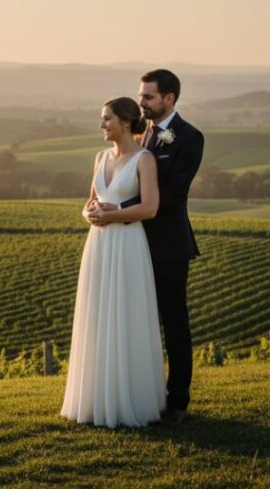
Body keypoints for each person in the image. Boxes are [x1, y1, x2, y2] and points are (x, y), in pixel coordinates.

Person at [61, 96, 165, 428]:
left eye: (107, 119)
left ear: (124, 121)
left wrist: (114, 214)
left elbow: (150, 208)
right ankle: (95, 397)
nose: (103, 125)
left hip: (128, 241)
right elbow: (90, 202)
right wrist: (90, 213)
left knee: (124, 312)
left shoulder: (144, 159)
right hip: (100, 243)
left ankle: (128, 398)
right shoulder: (100, 157)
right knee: (98, 313)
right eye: (102, 119)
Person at [127, 69, 203, 425]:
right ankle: (143, 394)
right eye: (141, 95)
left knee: (174, 323)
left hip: (169, 245)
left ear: (169, 98)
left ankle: (178, 403)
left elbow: (172, 196)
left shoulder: (189, 138)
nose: (141, 102)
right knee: (137, 322)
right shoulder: (140, 134)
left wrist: (121, 212)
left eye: (148, 97)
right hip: (133, 242)